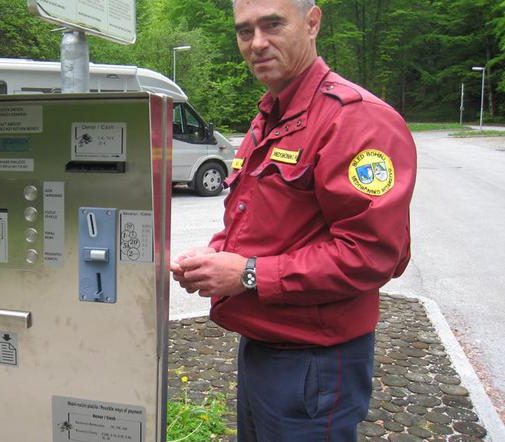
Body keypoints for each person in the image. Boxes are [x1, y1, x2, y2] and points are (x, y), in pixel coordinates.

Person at [169, 0, 417, 440]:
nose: (257, 43)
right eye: (245, 31)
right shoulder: (271, 117)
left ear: (312, 22)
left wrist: (246, 274)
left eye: (272, 25)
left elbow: (373, 254)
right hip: (264, 345)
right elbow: (257, 220)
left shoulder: (356, 120)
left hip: (316, 361)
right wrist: (216, 252)